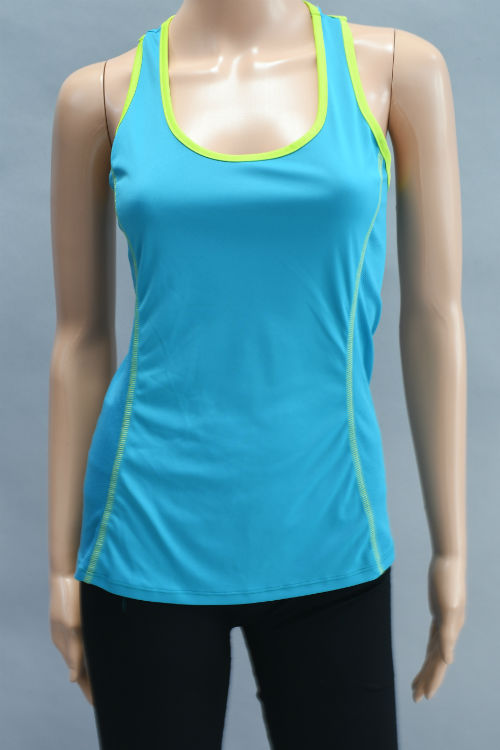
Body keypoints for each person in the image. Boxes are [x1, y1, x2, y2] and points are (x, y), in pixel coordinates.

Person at [48, 1, 467, 748]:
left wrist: (451, 548)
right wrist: (61, 566)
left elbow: (435, 314)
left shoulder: (396, 70)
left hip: (329, 527)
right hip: (145, 535)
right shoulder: (103, 93)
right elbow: (81, 339)